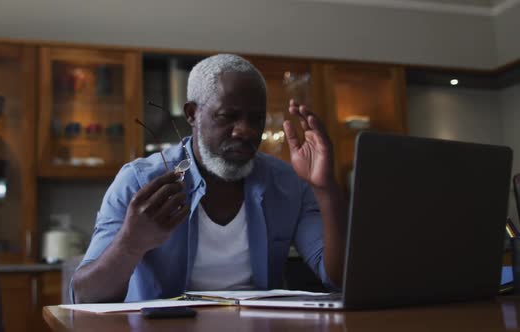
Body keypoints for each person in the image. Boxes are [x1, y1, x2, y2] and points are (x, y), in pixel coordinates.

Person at [71, 54, 347, 304]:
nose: (246, 131)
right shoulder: (139, 181)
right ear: (192, 114)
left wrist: (324, 189)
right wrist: (131, 242)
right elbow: (85, 296)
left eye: (256, 119)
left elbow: (337, 277)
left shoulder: (288, 183)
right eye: (228, 116)